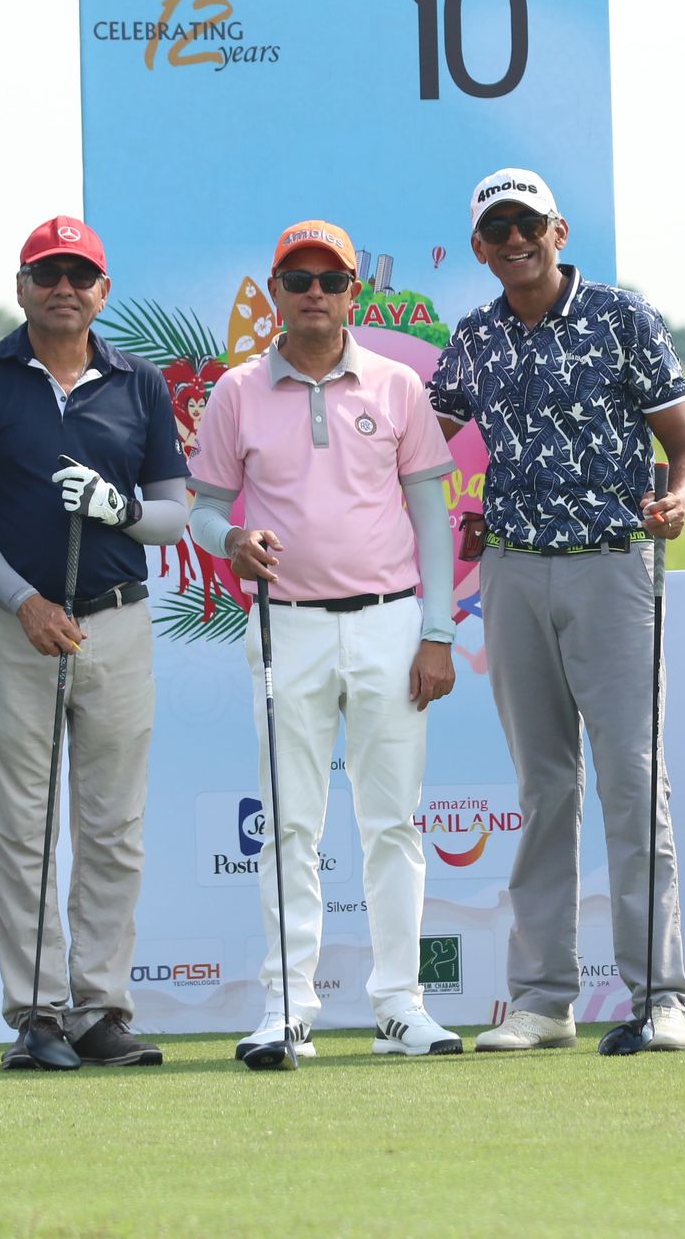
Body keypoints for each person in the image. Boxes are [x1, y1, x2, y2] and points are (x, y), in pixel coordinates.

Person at [430, 168, 685, 1053]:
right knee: (544, 789)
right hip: (511, 575)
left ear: (558, 230)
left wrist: (682, 500)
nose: (515, 240)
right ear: (480, 246)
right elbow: (413, 443)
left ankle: (660, 995)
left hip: (611, 568)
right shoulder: (473, 337)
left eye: (529, 224)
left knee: (632, 780)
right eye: (497, 228)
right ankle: (543, 1000)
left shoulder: (623, 318)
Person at [189, 219, 463, 1063]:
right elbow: (203, 507)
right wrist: (228, 540)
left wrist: (438, 629)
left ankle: (398, 1006)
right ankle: (286, 1008)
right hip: (286, 627)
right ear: (276, 291)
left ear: (354, 292)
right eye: (297, 278)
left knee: (392, 825)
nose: (313, 293)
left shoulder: (395, 386)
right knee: (289, 825)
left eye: (328, 279)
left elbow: (429, 512)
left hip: (389, 621)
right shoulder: (237, 391)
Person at [0, 216, 189, 1070]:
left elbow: (174, 513)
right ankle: (38, 1013)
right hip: (18, 628)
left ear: (103, 292)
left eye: (80, 275)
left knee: (114, 825)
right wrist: (21, 598)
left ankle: (100, 1006)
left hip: (116, 619)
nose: (64, 288)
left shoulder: (139, 385)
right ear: (21, 286)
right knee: (24, 826)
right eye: (47, 273)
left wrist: (117, 508)